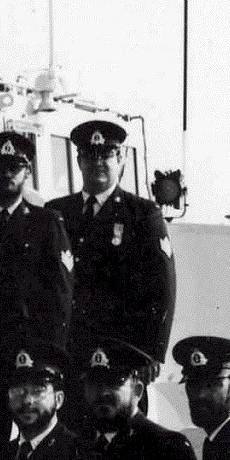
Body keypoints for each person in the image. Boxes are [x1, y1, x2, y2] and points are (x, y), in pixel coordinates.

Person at [47, 119, 173, 361]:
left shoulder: (143, 214)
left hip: (121, 349)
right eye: (89, 156)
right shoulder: (57, 212)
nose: (98, 163)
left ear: (120, 159)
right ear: (79, 161)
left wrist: (152, 353)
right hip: (69, 348)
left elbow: (162, 288)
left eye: (106, 156)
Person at [0, 131, 74, 363]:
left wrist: (51, 354)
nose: (7, 174)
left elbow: (60, 294)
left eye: (15, 168)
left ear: (28, 172)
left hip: (29, 350)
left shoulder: (47, 223)